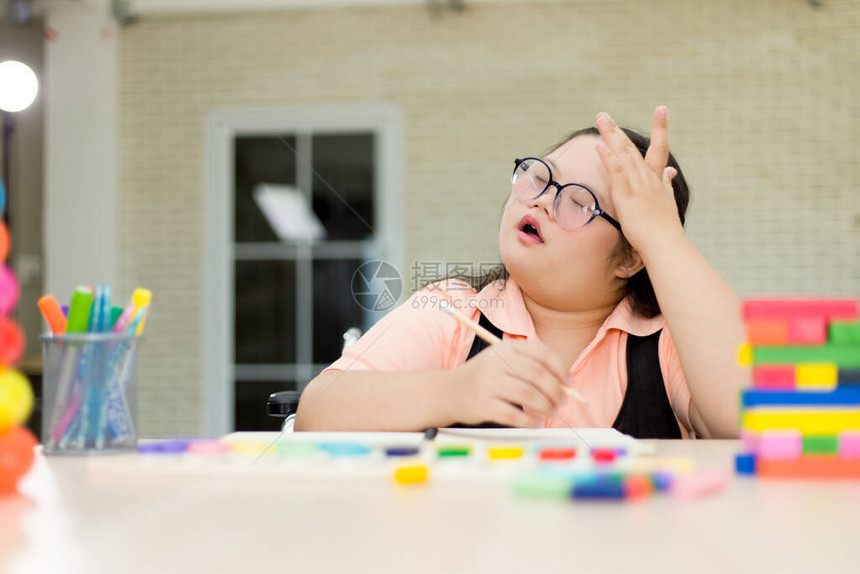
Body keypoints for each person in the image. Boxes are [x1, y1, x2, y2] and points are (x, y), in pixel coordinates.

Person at [296, 107, 748, 438]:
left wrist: (663, 237)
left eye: (578, 203)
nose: (541, 199)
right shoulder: (454, 311)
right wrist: (455, 391)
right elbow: (317, 413)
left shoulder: (670, 341)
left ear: (631, 256)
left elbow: (753, 422)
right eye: (540, 176)